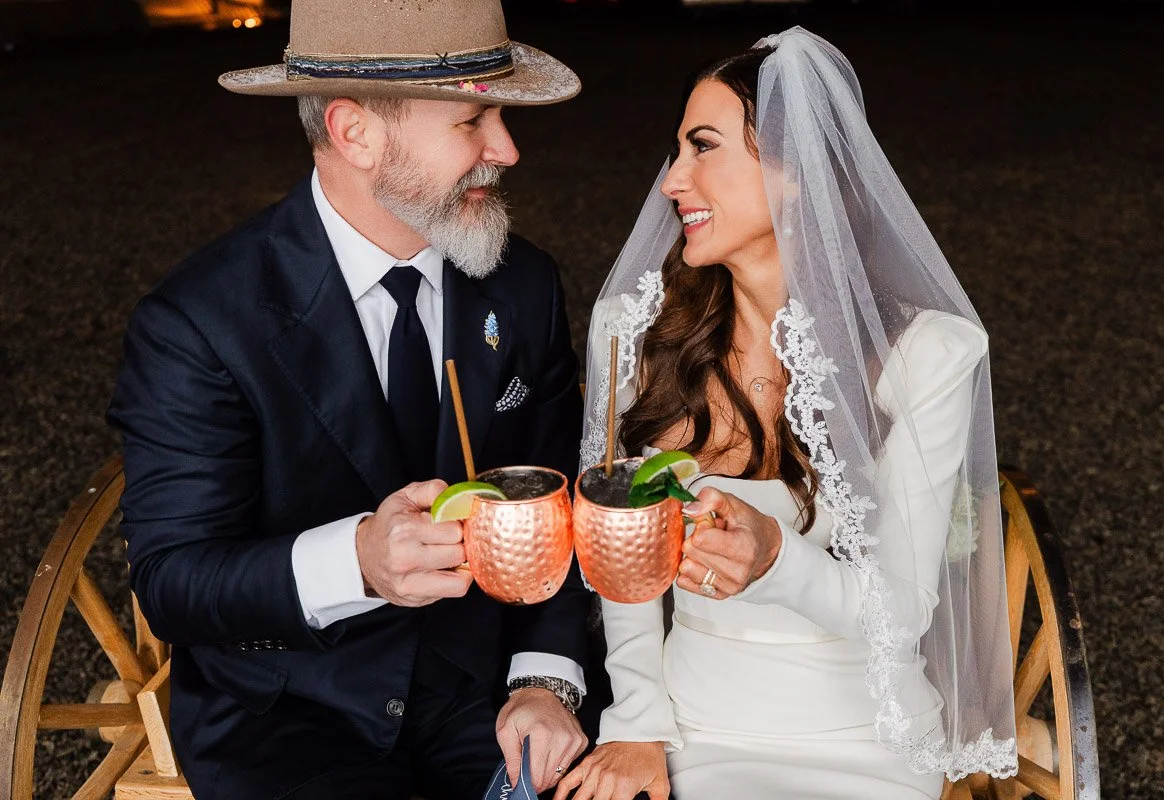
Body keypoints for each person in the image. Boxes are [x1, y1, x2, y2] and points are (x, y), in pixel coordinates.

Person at [107, 1, 594, 797]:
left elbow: (558, 503)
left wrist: (546, 680)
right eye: (473, 121)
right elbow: (175, 582)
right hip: (289, 719)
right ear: (354, 132)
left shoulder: (525, 284)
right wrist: (358, 561)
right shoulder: (198, 320)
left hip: (488, 692)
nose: (506, 149)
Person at [559, 27, 1018, 800]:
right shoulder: (633, 332)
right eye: (677, 151)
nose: (673, 181)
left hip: (864, 740)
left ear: (795, 172)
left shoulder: (927, 355)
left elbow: (901, 613)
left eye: (703, 148)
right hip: (698, 731)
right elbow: (619, 559)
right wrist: (638, 724)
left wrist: (777, 559)